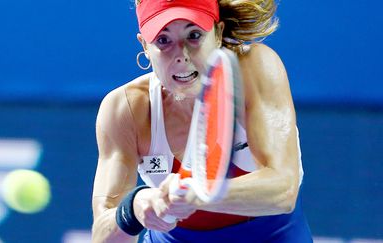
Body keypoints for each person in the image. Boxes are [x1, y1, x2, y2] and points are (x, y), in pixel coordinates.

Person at [91, 0, 312, 242]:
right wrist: (133, 209)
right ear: (145, 45)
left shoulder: (254, 68)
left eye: (194, 35)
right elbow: (102, 235)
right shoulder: (126, 108)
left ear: (217, 33)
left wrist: (197, 193)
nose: (181, 55)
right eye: (163, 41)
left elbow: (283, 189)